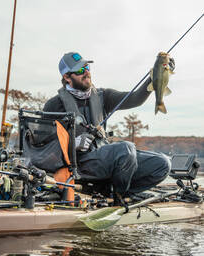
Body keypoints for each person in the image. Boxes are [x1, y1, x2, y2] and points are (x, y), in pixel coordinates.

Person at [43, 52, 174, 201]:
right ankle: (119, 196)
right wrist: (74, 144)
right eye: (80, 70)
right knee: (125, 149)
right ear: (67, 77)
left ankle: (117, 193)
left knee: (163, 163)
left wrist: (155, 75)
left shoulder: (103, 95)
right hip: (80, 164)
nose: (86, 72)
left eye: (87, 67)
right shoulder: (53, 105)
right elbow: (45, 146)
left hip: (106, 156)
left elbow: (136, 99)